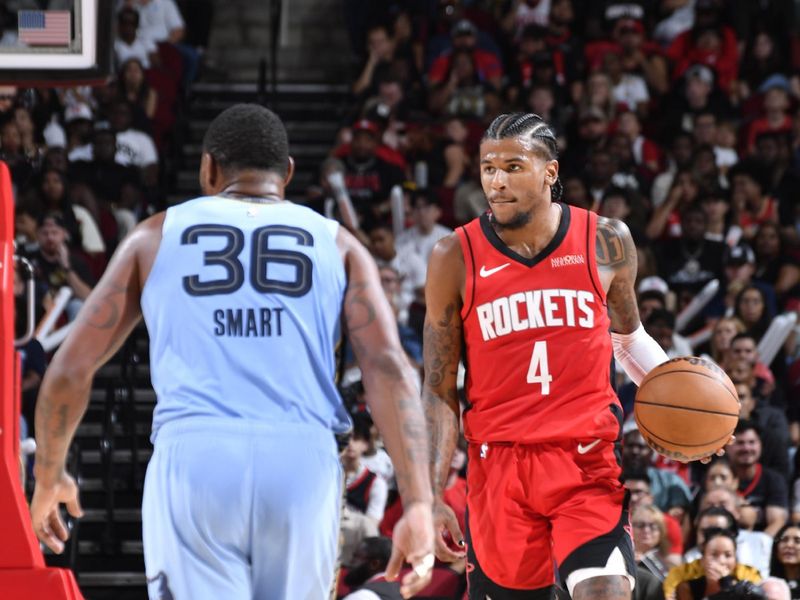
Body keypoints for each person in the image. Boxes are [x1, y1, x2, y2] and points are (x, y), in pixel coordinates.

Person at [30, 104, 435, 600]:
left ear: (208, 168)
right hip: (301, 459)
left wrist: (49, 473)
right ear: (286, 173)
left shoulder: (152, 236)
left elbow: (70, 368)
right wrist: (418, 501)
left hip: (197, 457)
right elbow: (390, 369)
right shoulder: (341, 244)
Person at [422, 112, 711, 599]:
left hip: (585, 460)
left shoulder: (605, 240)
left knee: (607, 591)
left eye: (513, 167)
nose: (496, 181)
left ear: (550, 173)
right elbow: (438, 385)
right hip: (500, 467)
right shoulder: (454, 255)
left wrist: (690, 403)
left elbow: (629, 338)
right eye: (488, 168)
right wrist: (429, 493)